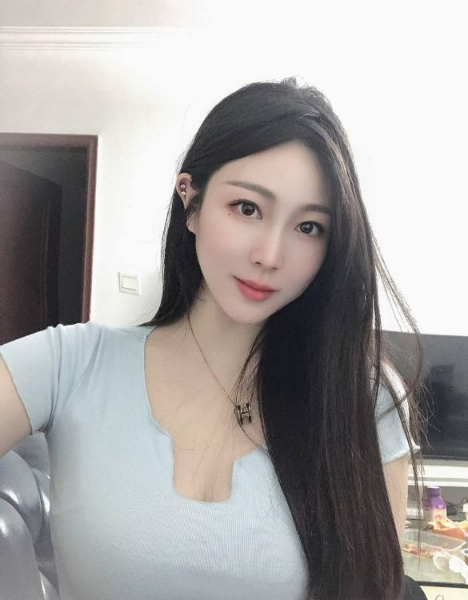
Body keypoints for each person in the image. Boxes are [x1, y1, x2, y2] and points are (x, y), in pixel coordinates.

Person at [0, 77, 426, 600]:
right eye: (247, 208)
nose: (270, 255)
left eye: (309, 227)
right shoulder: (72, 363)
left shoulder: (361, 396)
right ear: (191, 200)